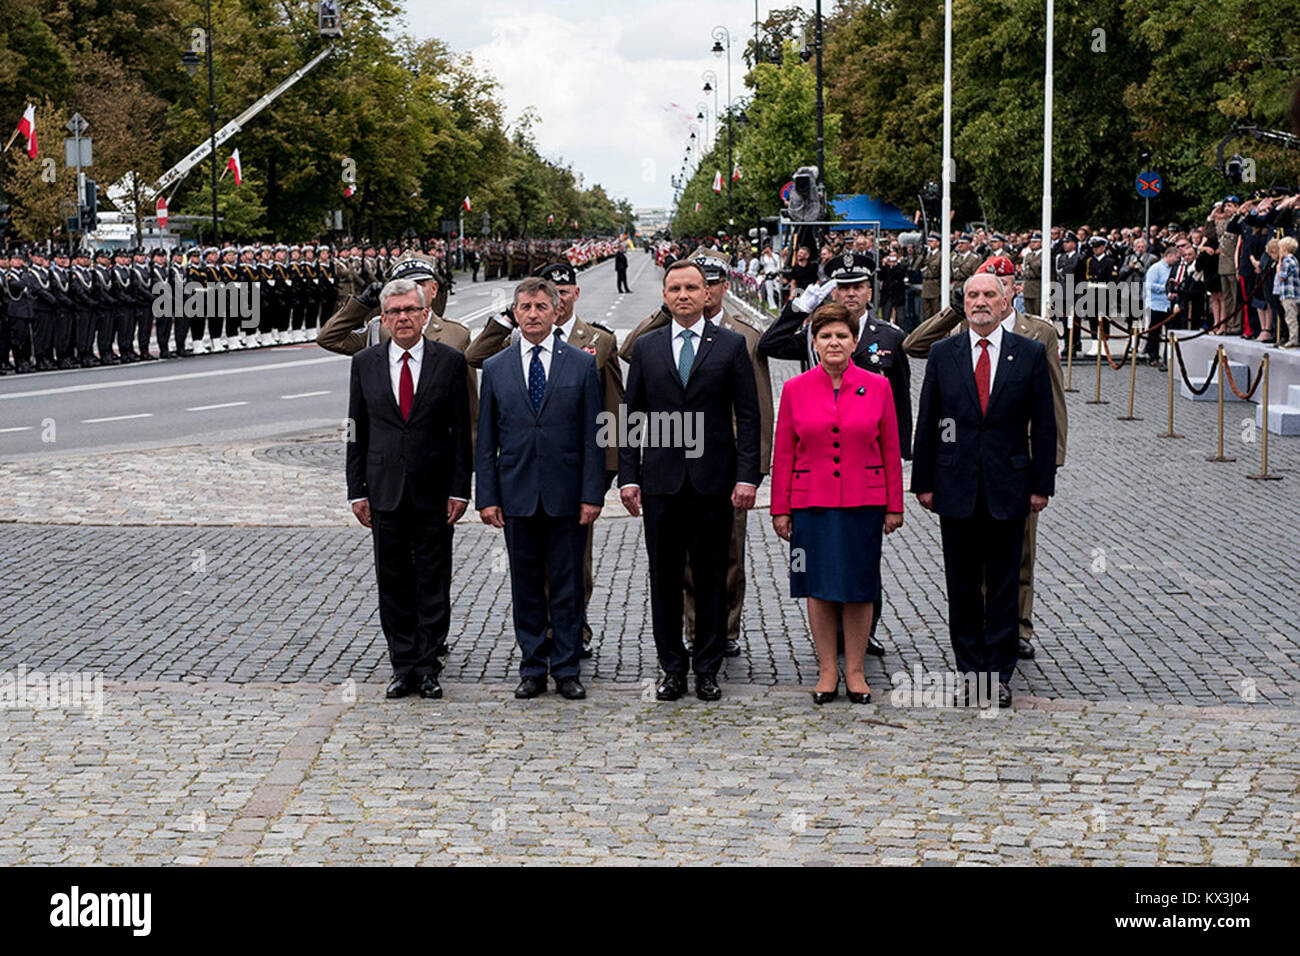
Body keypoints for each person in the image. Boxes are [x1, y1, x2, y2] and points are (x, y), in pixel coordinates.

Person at [903, 255, 1067, 660]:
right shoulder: (945, 351)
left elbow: (1045, 421)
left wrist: (1042, 483)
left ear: (1007, 297)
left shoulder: (1028, 350)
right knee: (961, 584)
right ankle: (970, 669)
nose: (981, 302)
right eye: (973, 295)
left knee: (1005, 581)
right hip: (956, 484)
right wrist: (922, 481)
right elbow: (929, 420)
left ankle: (999, 671)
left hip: (1009, 483)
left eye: (989, 294)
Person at [619, 260, 761, 702]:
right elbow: (631, 416)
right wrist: (628, 477)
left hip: (713, 481)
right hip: (660, 481)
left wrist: (747, 476)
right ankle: (672, 668)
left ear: (707, 294)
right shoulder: (647, 347)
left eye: (692, 287)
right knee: (663, 578)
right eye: (675, 288)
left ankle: (707, 667)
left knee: (711, 576)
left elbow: (750, 415)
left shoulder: (732, 345)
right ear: (664, 295)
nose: (683, 295)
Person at [469, 262, 623, 656]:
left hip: (566, 492)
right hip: (517, 493)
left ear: (557, 311)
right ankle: (533, 664)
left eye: (541, 306)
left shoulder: (582, 360)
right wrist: (486, 497)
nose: (533, 314)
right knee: (526, 584)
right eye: (525, 307)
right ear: (515, 313)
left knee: (569, 582)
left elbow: (596, 432)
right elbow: (486, 441)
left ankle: (569, 663)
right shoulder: (498, 365)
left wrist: (596, 490)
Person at [770, 303, 904, 705]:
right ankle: (828, 669)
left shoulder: (878, 386)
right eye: (825, 336)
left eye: (841, 336)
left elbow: (891, 447)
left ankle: (857, 671)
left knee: (860, 588)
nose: (834, 343)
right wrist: (781, 507)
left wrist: (894, 505)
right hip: (812, 504)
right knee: (819, 587)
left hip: (864, 502)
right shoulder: (796, 389)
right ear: (814, 342)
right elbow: (785, 452)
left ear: (854, 341)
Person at [345, 278, 471, 702]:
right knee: (393, 582)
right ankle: (402, 665)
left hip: (434, 491)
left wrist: (460, 489)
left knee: (433, 582)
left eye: (409, 311)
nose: (402, 318)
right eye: (394, 312)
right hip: (383, 492)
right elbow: (355, 430)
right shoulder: (365, 363)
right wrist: (356, 490)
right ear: (383, 319)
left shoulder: (450, 362)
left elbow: (460, 434)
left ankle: (428, 664)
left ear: (423, 315)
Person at [1275, 236, 1300, 349]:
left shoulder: (1287, 261)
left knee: (1291, 318)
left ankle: (1293, 339)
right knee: (1292, 316)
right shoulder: (1294, 259)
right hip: (1294, 293)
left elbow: (1282, 277)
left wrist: (1278, 268)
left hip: (1289, 294)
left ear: (1284, 249)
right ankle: (1293, 338)